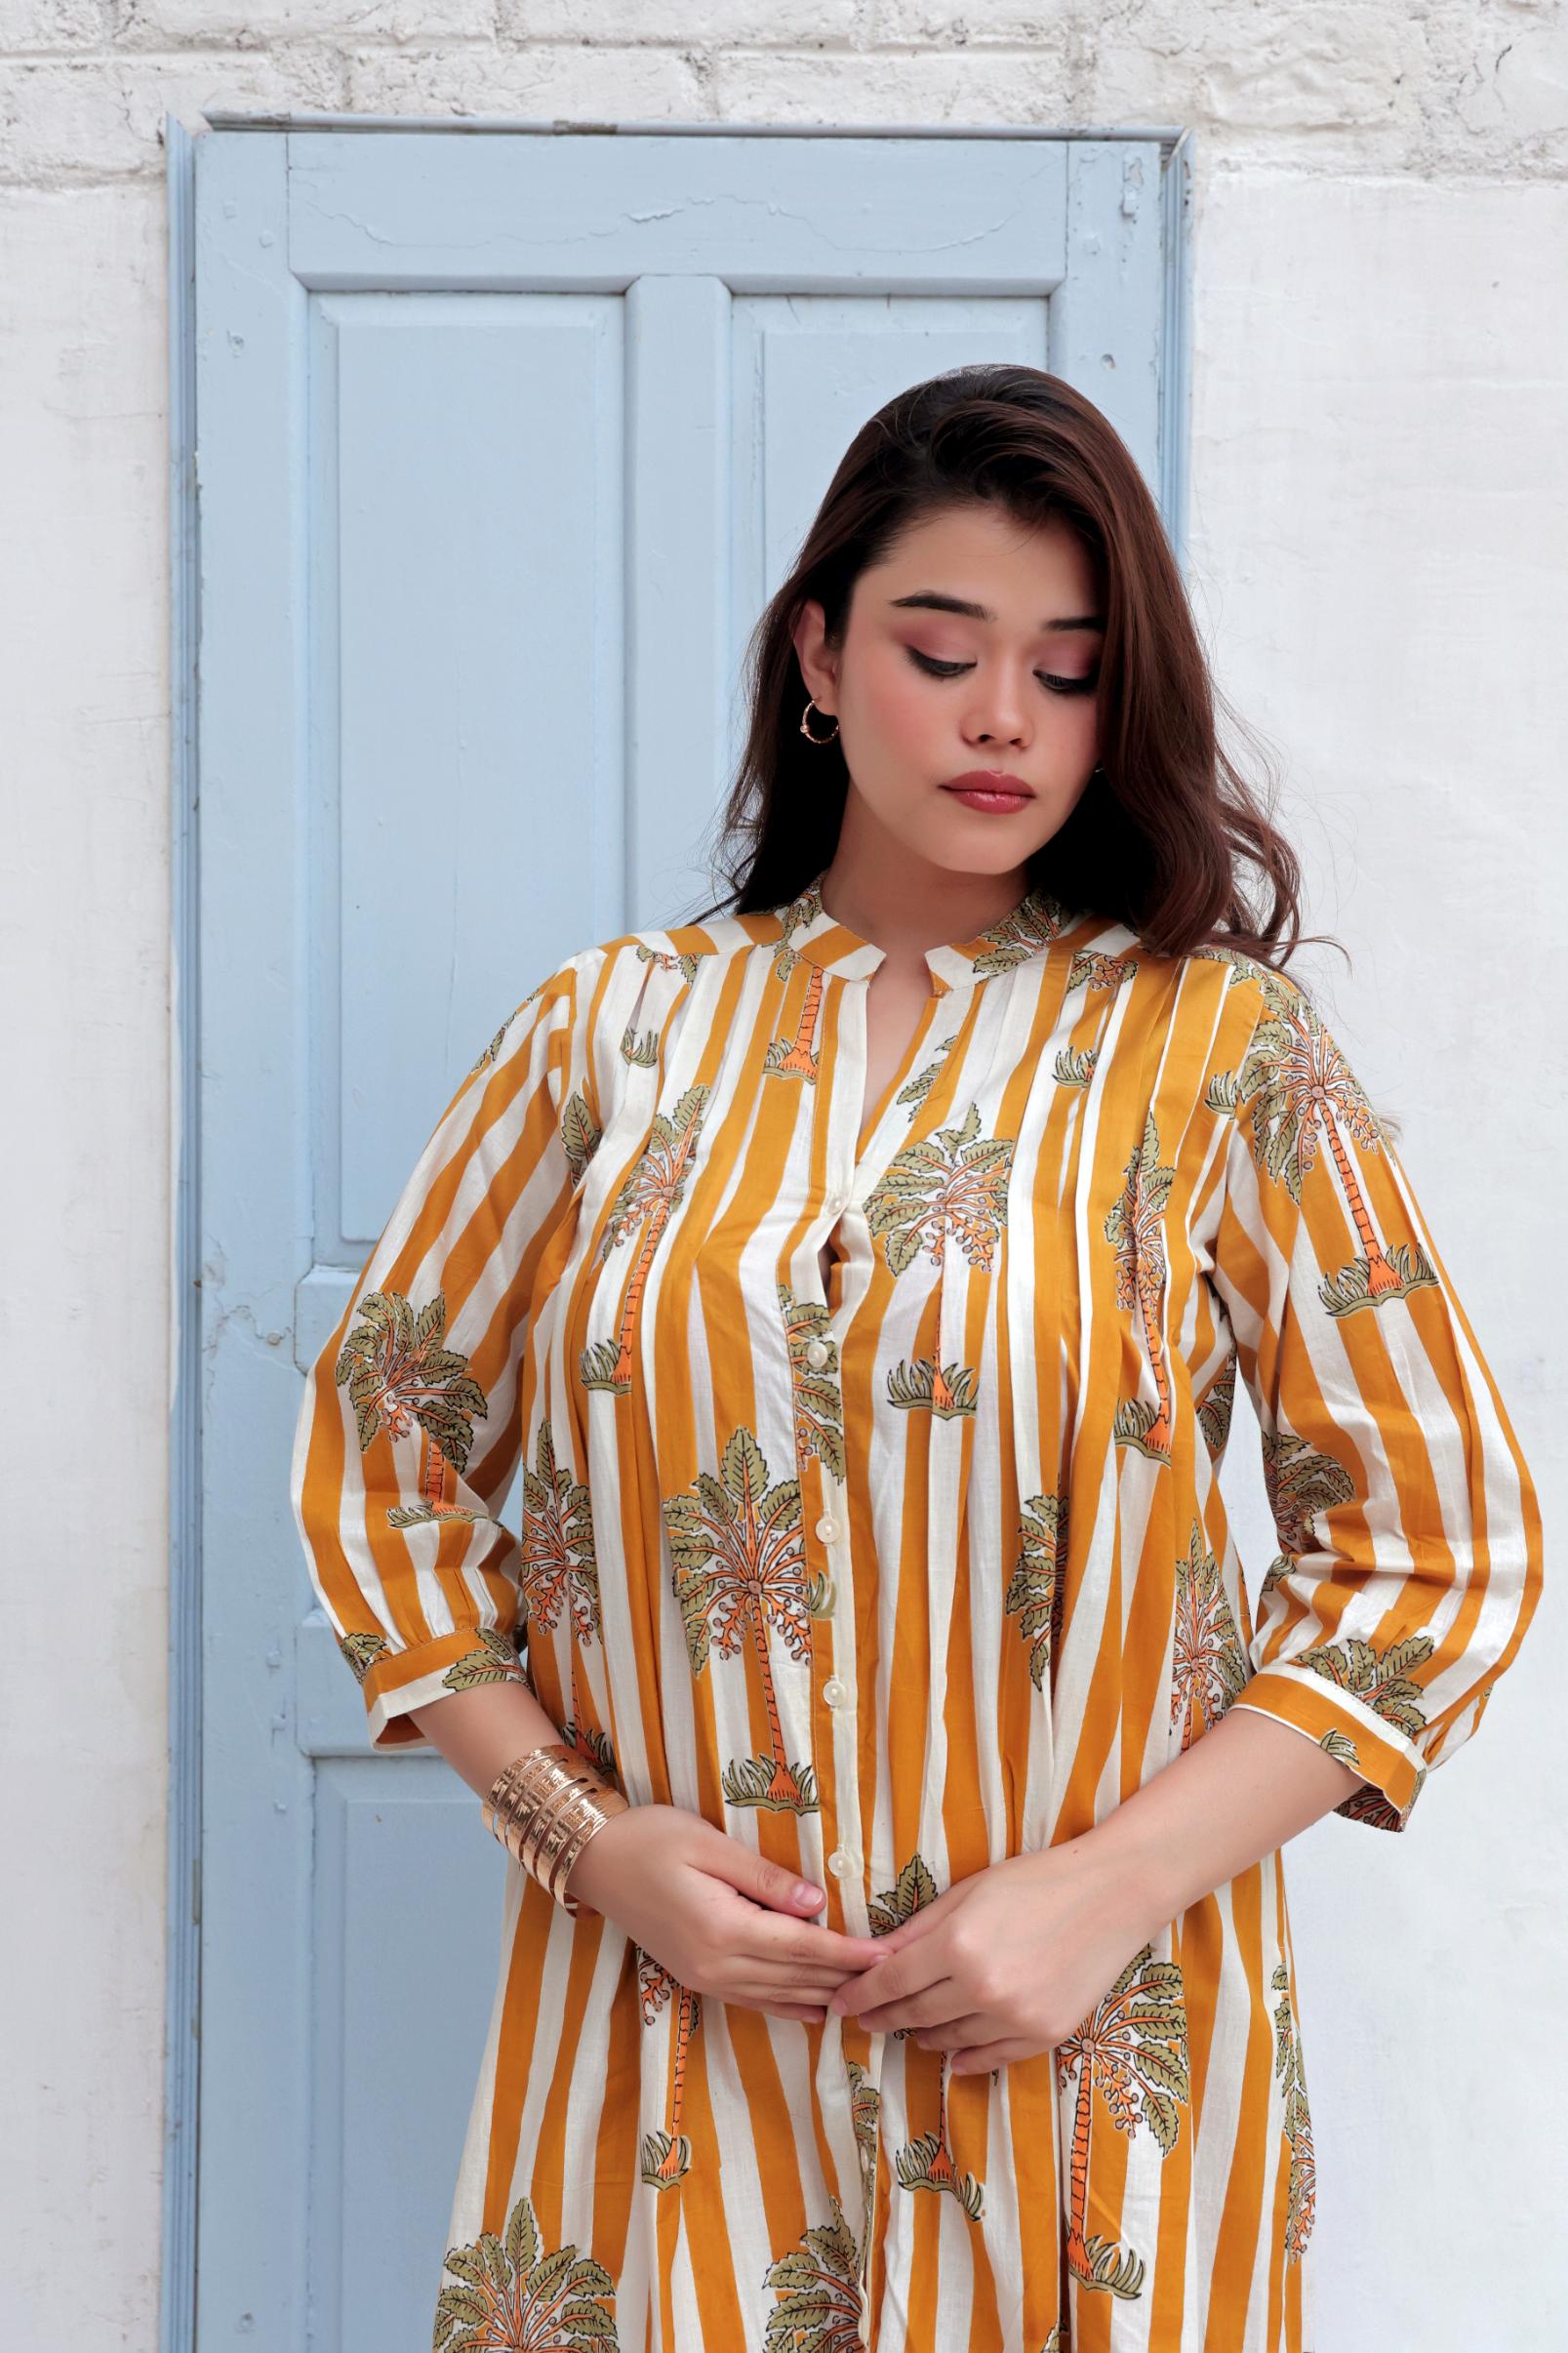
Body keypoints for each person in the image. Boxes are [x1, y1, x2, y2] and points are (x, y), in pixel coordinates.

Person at [289, 363, 1543, 2353]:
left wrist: (1104, 1894)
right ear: (818, 655)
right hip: (665, 2059)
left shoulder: (1222, 1054)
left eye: (1068, 670)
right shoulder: (606, 1037)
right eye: (941, 652)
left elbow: (1436, 1546)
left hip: (1089, 2071)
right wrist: (590, 1845)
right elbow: (383, 1468)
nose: (1001, 719)